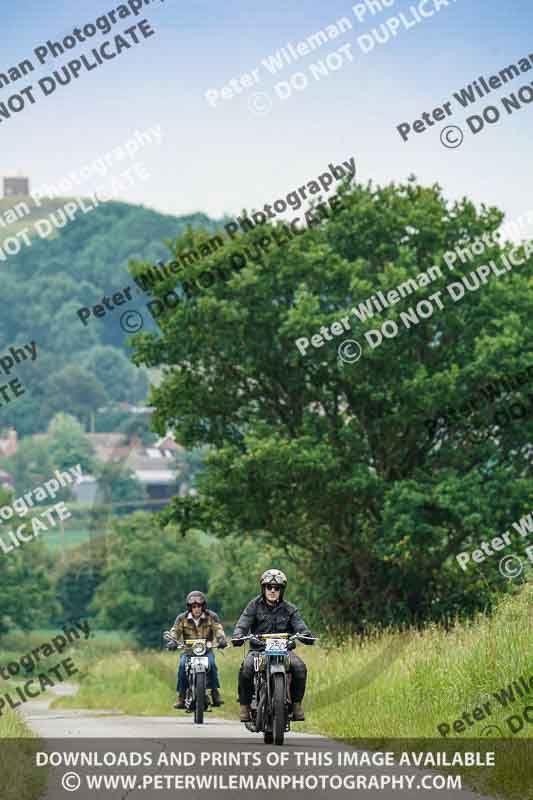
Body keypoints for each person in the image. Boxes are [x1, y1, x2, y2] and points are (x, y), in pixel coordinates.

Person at [232, 569, 314, 722]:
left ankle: (296, 705)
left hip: (284, 650)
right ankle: (245, 705)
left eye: (277, 588)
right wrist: (238, 635)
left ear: (282, 590)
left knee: (299, 667)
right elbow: (243, 623)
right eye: (269, 587)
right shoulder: (253, 606)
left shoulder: (290, 609)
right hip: (259, 649)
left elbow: (300, 625)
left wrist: (306, 635)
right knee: (246, 668)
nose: (272, 591)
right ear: (263, 588)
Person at [167, 590, 227, 709]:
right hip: (188, 651)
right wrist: (172, 641)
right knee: (182, 666)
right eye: (194, 606)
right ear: (190, 607)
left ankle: (215, 692)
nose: (196, 609)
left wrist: (221, 639)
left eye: (199, 606)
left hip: (206, 651)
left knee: (212, 665)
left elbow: (218, 629)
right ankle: (181, 696)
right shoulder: (182, 618)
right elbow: (175, 631)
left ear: (203, 606)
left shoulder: (211, 616)